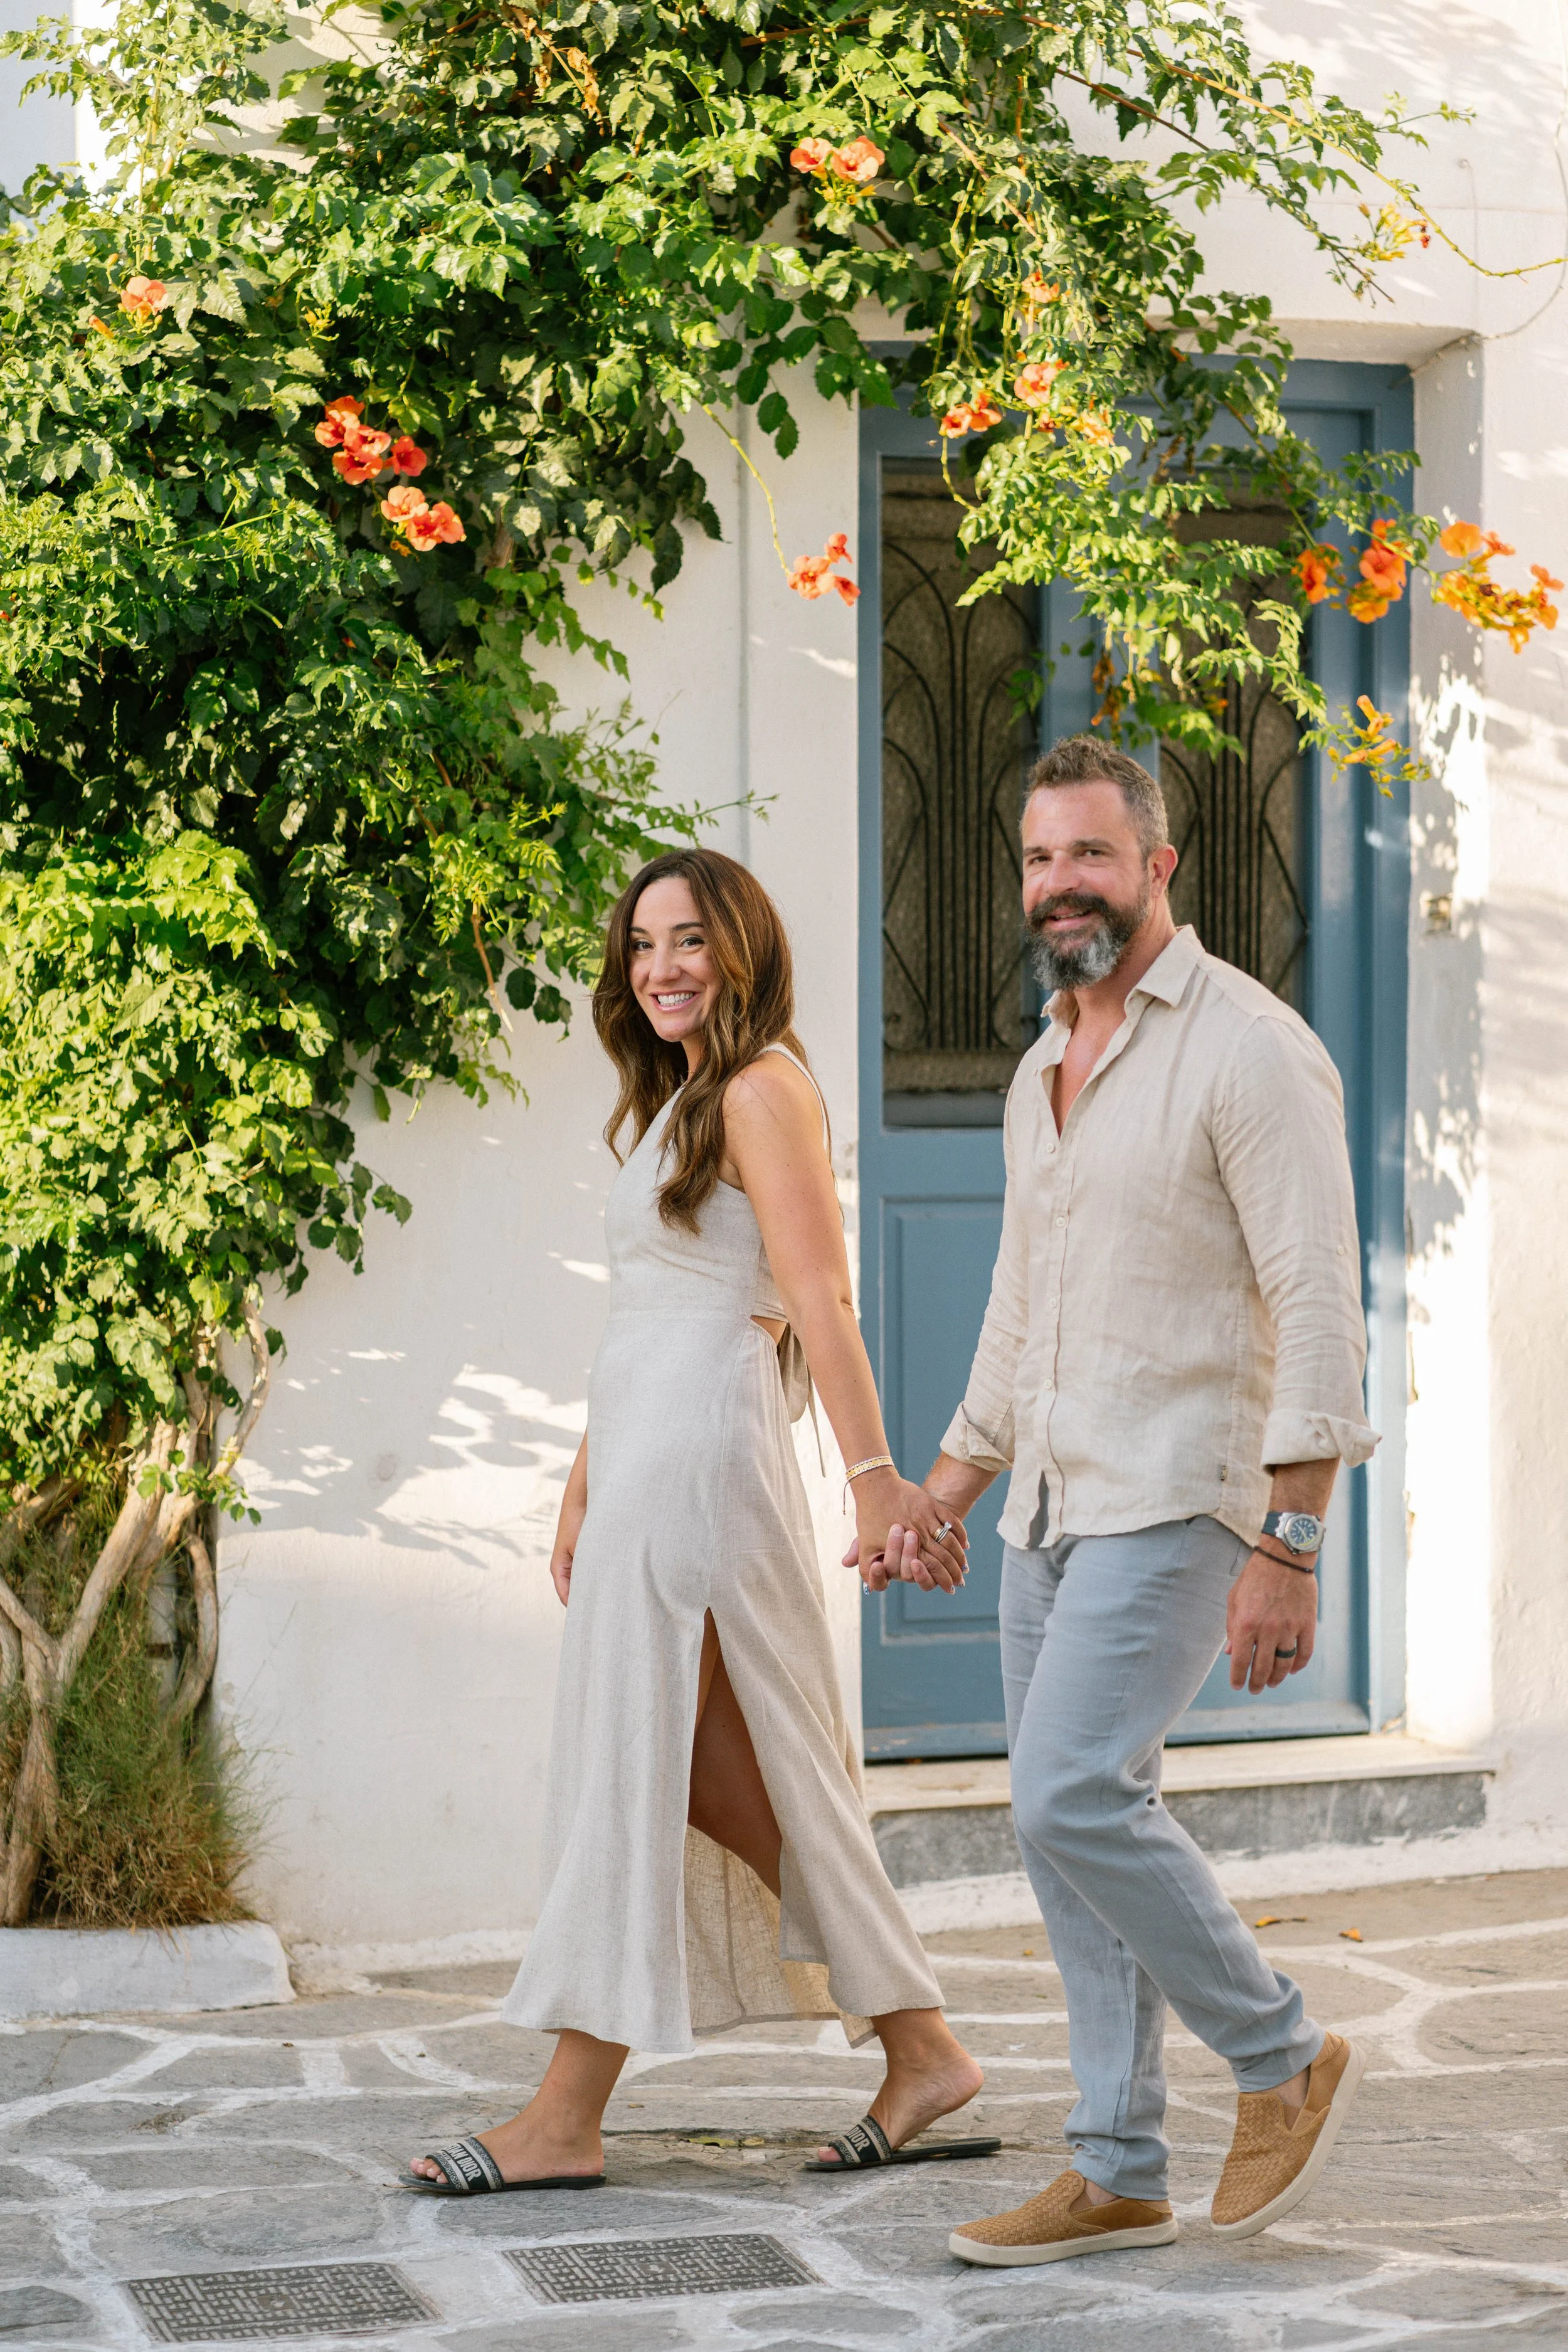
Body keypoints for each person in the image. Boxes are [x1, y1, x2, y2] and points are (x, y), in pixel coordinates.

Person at [403, 847, 993, 2197]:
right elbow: (653, 1317)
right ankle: (921, 2045)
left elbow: (817, 1300)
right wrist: (580, 1475)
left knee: (642, 1761)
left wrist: (874, 1479)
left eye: (687, 941)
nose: (657, 966)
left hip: (700, 1464)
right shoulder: (683, 1101)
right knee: (717, 1775)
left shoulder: (762, 1088)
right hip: (649, 1453)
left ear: (741, 951)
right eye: (638, 946)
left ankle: (563, 2118)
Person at [903, 735, 1377, 2265]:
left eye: (1089, 857)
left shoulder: (1246, 1047)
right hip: (1050, 1498)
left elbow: (1316, 1303)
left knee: (1070, 1792)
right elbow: (1016, 1304)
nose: (1059, 886)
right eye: (1039, 860)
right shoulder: (1044, 1063)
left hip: (1182, 1490)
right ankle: (1116, 2160)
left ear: (1158, 865)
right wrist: (947, 1485)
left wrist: (1288, 1542)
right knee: (1064, 1830)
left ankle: (1279, 2053)